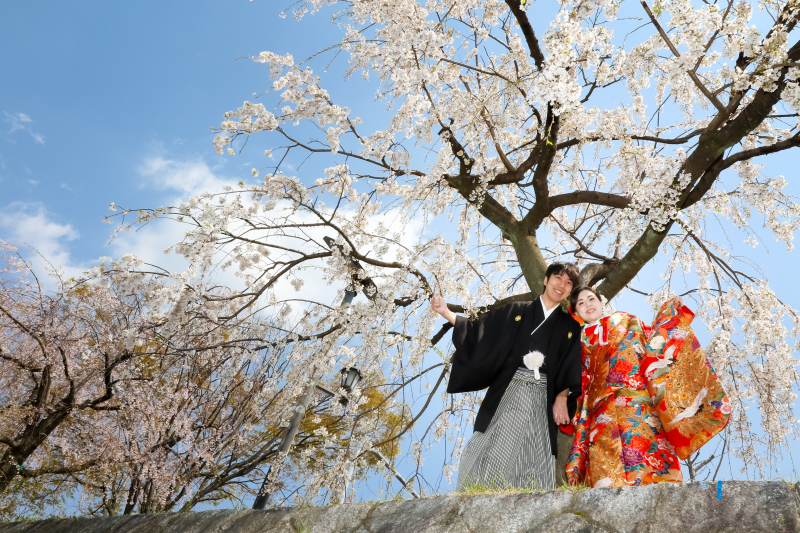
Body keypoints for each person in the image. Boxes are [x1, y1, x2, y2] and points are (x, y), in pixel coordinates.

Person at [431, 263, 582, 491]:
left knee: (536, 445)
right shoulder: (516, 310)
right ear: (545, 279)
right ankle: (478, 492)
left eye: (568, 283)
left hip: (544, 394)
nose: (562, 285)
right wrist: (446, 312)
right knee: (497, 439)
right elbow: (480, 332)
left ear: (570, 291)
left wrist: (561, 398)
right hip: (512, 386)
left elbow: (569, 363)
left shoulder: (570, 326)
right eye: (558, 278)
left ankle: (528, 499)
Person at [566, 286, 731, 488]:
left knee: (647, 447)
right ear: (576, 312)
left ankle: (660, 497)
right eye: (581, 303)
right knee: (606, 459)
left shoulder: (626, 319)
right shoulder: (578, 342)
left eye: (591, 299)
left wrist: (672, 312)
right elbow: (577, 378)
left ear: (601, 302)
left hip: (638, 399)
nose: (587, 305)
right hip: (601, 406)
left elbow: (654, 341)